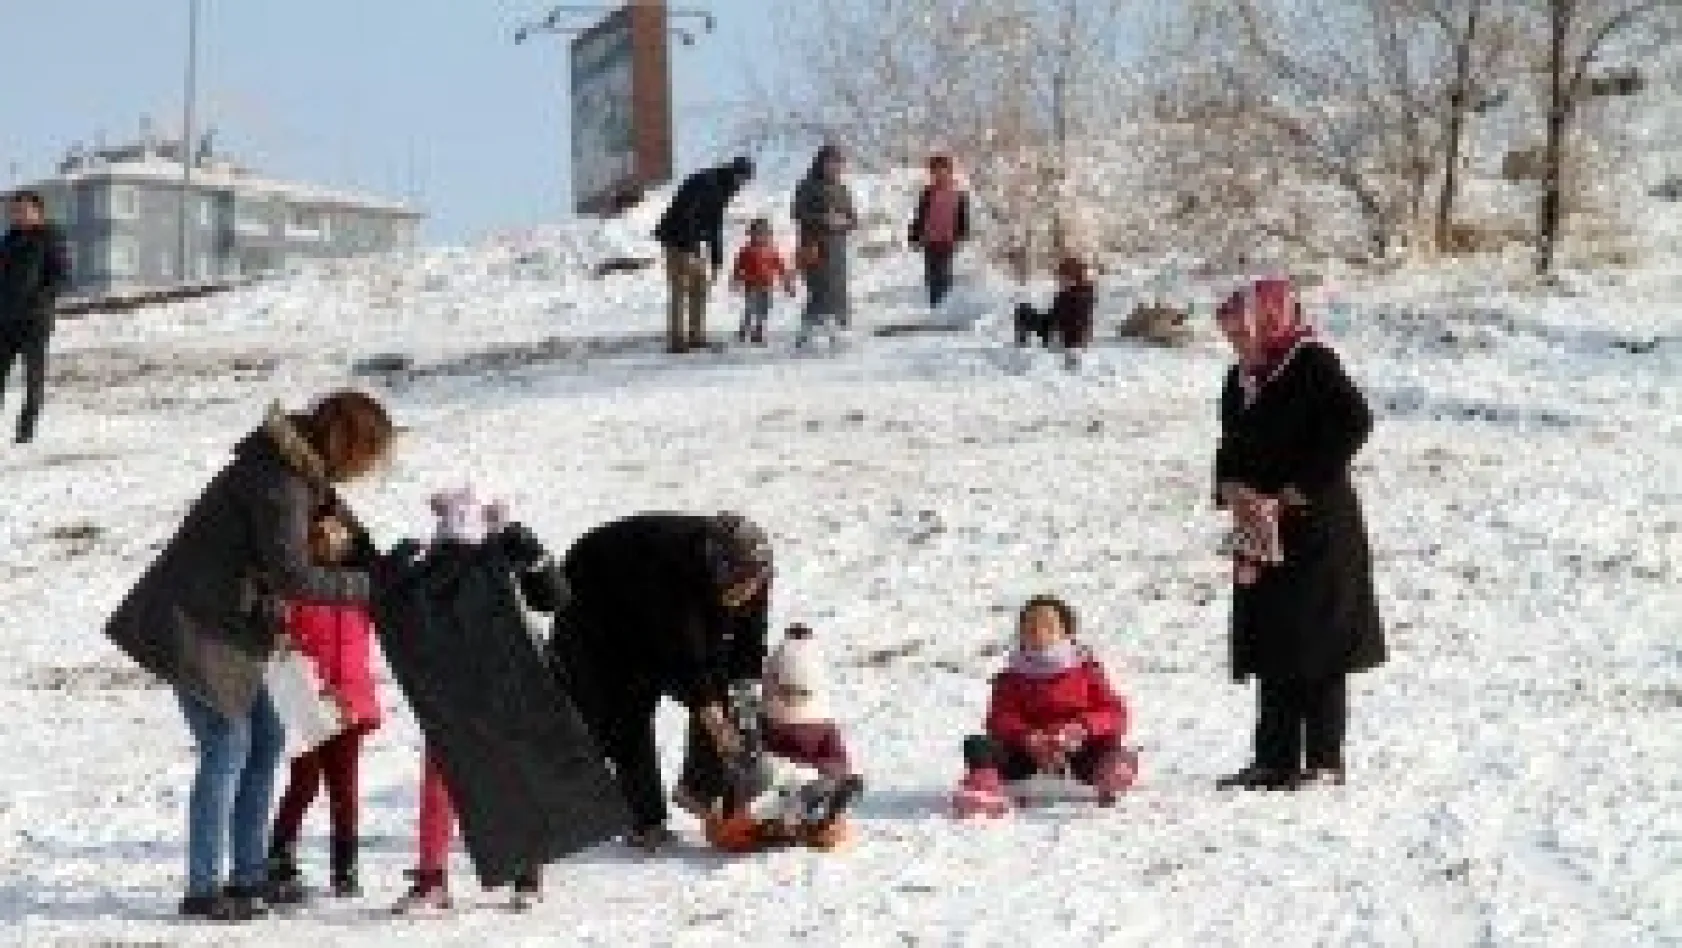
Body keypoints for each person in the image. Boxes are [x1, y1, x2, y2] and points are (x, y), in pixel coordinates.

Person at [103, 392, 394, 922]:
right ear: (347, 445)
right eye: (368, 456)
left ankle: (250, 876)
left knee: (265, 740)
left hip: (235, 626)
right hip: (193, 623)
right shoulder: (280, 483)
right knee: (227, 745)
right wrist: (369, 585)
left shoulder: (302, 476)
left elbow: (339, 535)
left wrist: (376, 559)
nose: (368, 469)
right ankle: (204, 887)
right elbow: (293, 576)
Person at [1210, 277, 1385, 792]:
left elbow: (1354, 422)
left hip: (1317, 528)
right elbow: (1231, 443)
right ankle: (1275, 759)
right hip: (1261, 527)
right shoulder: (1241, 377)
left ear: (1269, 320)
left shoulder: (1312, 364)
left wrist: (1301, 486)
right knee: (1273, 639)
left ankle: (1325, 760)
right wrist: (1230, 487)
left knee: (1320, 643)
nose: (1236, 343)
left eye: (1242, 332)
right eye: (1231, 336)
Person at [546, 512, 773, 850]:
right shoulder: (673, 572)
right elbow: (685, 657)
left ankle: (700, 791)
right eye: (736, 589)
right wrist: (719, 727)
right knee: (627, 710)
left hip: (663, 607)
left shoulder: (755, 571)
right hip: (594, 604)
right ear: (717, 572)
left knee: (727, 694)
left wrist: (745, 706)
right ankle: (644, 821)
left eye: (749, 589)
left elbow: (748, 646)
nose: (743, 596)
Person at [393, 487, 567, 915]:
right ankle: (432, 879)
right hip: (454, 686)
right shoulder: (432, 565)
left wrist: (532, 551)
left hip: (511, 681)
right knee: (441, 779)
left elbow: (555, 597)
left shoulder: (505, 557)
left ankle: (528, 871)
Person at [265, 512, 384, 903]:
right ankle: (280, 853)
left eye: (340, 534)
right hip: (309, 703)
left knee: (344, 788)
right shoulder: (299, 592)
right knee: (305, 782)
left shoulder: (359, 591)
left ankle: (345, 865)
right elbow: (281, 636)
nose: (333, 541)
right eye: (323, 534)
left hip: (349, 704)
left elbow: (378, 568)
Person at [953, 596, 1138, 817]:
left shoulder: (1086, 671)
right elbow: (999, 718)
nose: (1039, 631)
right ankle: (983, 790)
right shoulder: (1010, 676)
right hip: (1026, 752)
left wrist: (1082, 727)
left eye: (1048, 625)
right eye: (1030, 625)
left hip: (1078, 748)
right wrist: (1027, 736)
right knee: (977, 744)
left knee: (1106, 751)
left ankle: (1112, 773)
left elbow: (1114, 712)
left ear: (1067, 634)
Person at [653, 157, 755, 354]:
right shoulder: (707, 183)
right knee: (680, 288)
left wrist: (716, 258)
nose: (742, 185)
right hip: (676, 238)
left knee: (699, 286)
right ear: (734, 173)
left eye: (745, 181)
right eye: (742, 179)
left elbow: (715, 223)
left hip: (693, 242)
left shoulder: (724, 188)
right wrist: (691, 247)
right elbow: (688, 214)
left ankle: (696, 336)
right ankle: (676, 340)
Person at [0, 190, 70, 444]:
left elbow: (60, 277)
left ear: (38, 211)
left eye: (23, 210)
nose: (17, 215)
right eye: (14, 211)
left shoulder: (50, 237)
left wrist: (39, 302)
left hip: (34, 321)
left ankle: (25, 433)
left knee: (33, 379)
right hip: (5, 320)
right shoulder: (9, 239)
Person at [791, 145, 858, 348]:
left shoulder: (842, 189)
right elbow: (798, 212)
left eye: (838, 163)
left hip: (837, 245)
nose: (835, 167)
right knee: (819, 287)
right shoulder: (807, 185)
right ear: (820, 163)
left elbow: (853, 218)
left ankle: (835, 329)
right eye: (831, 163)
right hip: (814, 243)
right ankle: (812, 333)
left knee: (837, 288)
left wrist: (844, 222)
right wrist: (823, 219)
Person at [907, 155, 972, 309]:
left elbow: (962, 216)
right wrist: (914, 236)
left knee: (944, 273)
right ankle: (935, 308)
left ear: (949, 171)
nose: (938, 174)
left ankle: (945, 308)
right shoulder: (928, 192)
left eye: (942, 170)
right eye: (934, 171)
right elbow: (920, 215)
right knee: (931, 275)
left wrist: (962, 234)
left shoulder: (958, 193)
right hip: (929, 238)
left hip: (948, 238)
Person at [1013, 257, 1096, 366]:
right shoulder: (1079, 292)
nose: (1060, 280)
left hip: (1068, 340)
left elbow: (1064, 320)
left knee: (1024, 312)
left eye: (1062, 276)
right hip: (1063, 334)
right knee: (1024, 311)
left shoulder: (1073, 295)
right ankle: (1021, 348)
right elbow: (1056, 316)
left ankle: (1021, 349)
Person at [730, 218, 796, 345]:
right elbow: (738, 266)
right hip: (751, 285)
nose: (760, 236)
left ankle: (758, 331)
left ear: (768, 235)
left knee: (763, 309)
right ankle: (745, 328)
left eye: (763, 233)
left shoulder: (772, 251)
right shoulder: (746, 250)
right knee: (750, 308)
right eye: (757, 233)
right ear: (751, 234)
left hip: (766, 285)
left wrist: (787, 283)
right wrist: (735, 279)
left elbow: (781, 268)